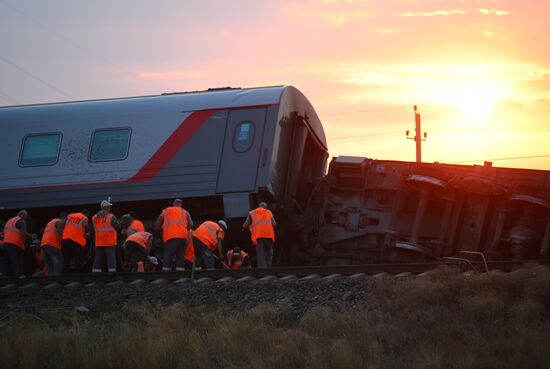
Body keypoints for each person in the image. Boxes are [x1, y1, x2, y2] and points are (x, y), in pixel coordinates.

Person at [155, 199, 193, 271]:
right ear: (181, 205)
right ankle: (180, 273)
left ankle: (166, 273)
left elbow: (158, 222)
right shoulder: (185, 212)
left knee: (169, 254)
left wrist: (159, 230)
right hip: (183, 236)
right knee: (180, 256)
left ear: (173, 204)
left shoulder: (167, 210)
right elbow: (191, 224)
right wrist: (184, 230)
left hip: (170, 236)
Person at [243, 202, 276, 268]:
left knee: (261, 255)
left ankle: (263, 272)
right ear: (265, 207)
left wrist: (250, 228)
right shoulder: (269, 212)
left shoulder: (252, 213)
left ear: (258, 206)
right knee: (269, 255)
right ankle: (269, 271)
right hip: (269, 237)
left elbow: (245, 225)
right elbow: (274, 224)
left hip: (259, 237)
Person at [2, 210, 34, 276]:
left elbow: (4, 233)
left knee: (8, 262)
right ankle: (19, 277)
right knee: (17, 261)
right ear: (23, 215)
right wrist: (31, 236)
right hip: (15, 244)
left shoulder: (9, 221)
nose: (26, 218)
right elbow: (23, 233)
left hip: (5, 244)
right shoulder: (21, 221)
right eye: (26, 217)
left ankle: (8, 278)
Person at [91, 200, 120, 273]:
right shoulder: (111, 216)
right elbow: (118, 226)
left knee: (98, 258)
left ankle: (96, 273)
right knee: (111, 258)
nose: (110, 207)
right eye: (109, 206)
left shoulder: (94, 217)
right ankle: (112, 273)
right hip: (109, 241)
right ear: (106, 207)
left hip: (99, 241)